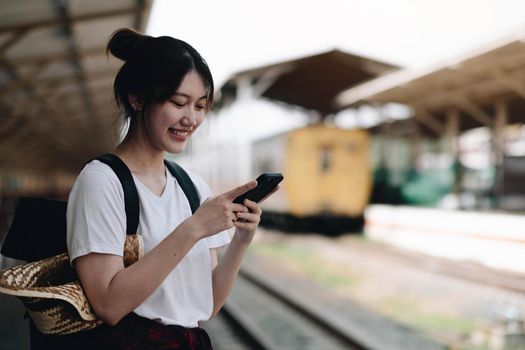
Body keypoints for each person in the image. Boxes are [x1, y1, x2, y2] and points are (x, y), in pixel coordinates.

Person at [66, 28, 275, 349]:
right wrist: (193, 228)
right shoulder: (102, 180)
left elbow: (208, 305)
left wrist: (241, 241)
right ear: (137, 98)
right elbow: (108, 305)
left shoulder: (192, 187)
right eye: (179, 103)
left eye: (201, 106)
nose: (191, 118)